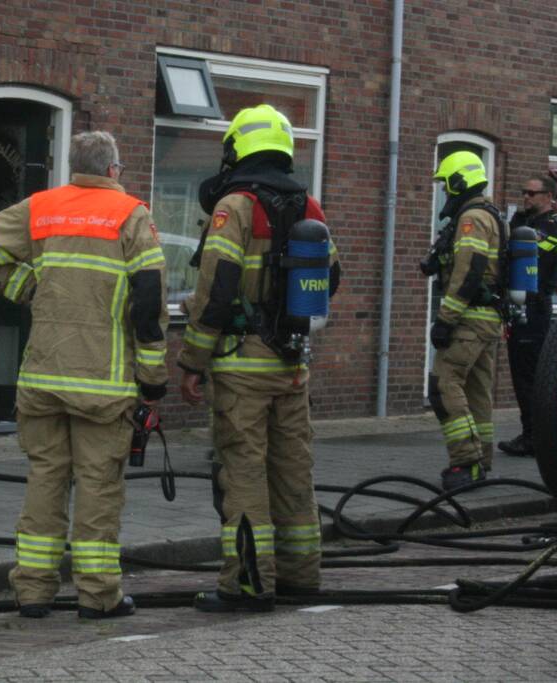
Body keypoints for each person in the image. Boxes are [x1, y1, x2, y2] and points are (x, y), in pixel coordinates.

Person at [0, 131, 168, 619]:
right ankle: (98, 597)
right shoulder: (131, 215)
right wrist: (153, 378)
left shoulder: (42, 207)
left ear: (72, 169)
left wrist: (27, 285)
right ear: (114, 170)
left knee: (45, 482)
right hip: (105, 385)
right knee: (98, 488)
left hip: (43, 379)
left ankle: (32, 592)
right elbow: (149, 302)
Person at [178, 104, 341, 613]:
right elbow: (331, 277)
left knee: (243, 473)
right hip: (293, 365)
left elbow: (218, 284)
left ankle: (247, 584)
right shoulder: (308, 206)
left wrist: (192, 361)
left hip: (243, 366)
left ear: (237, 149)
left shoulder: (237, 206)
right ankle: (300, 575)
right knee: (294, 470)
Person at [427, 151, 504, 492]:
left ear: (459, 182)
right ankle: (481, 460)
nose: (445, 192)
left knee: (444, 385)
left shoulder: (471, 217)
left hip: (469, 318)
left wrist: (446, 318)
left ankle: (466, 462)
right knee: (476, 390)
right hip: (487, 318)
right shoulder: (489, 213)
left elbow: (469, 270)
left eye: (446, 184)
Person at [499, 177, 557, 457]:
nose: (526, 196)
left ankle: (534, 437)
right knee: (522, 374)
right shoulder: (528, 223)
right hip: (521, 307)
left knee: (529, 377)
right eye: (523, 191)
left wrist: (517, 226)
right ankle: (532, 434)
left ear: (548, 196)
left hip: (535, 308)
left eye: (532, 193)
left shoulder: (551, 227)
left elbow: (520, 253)